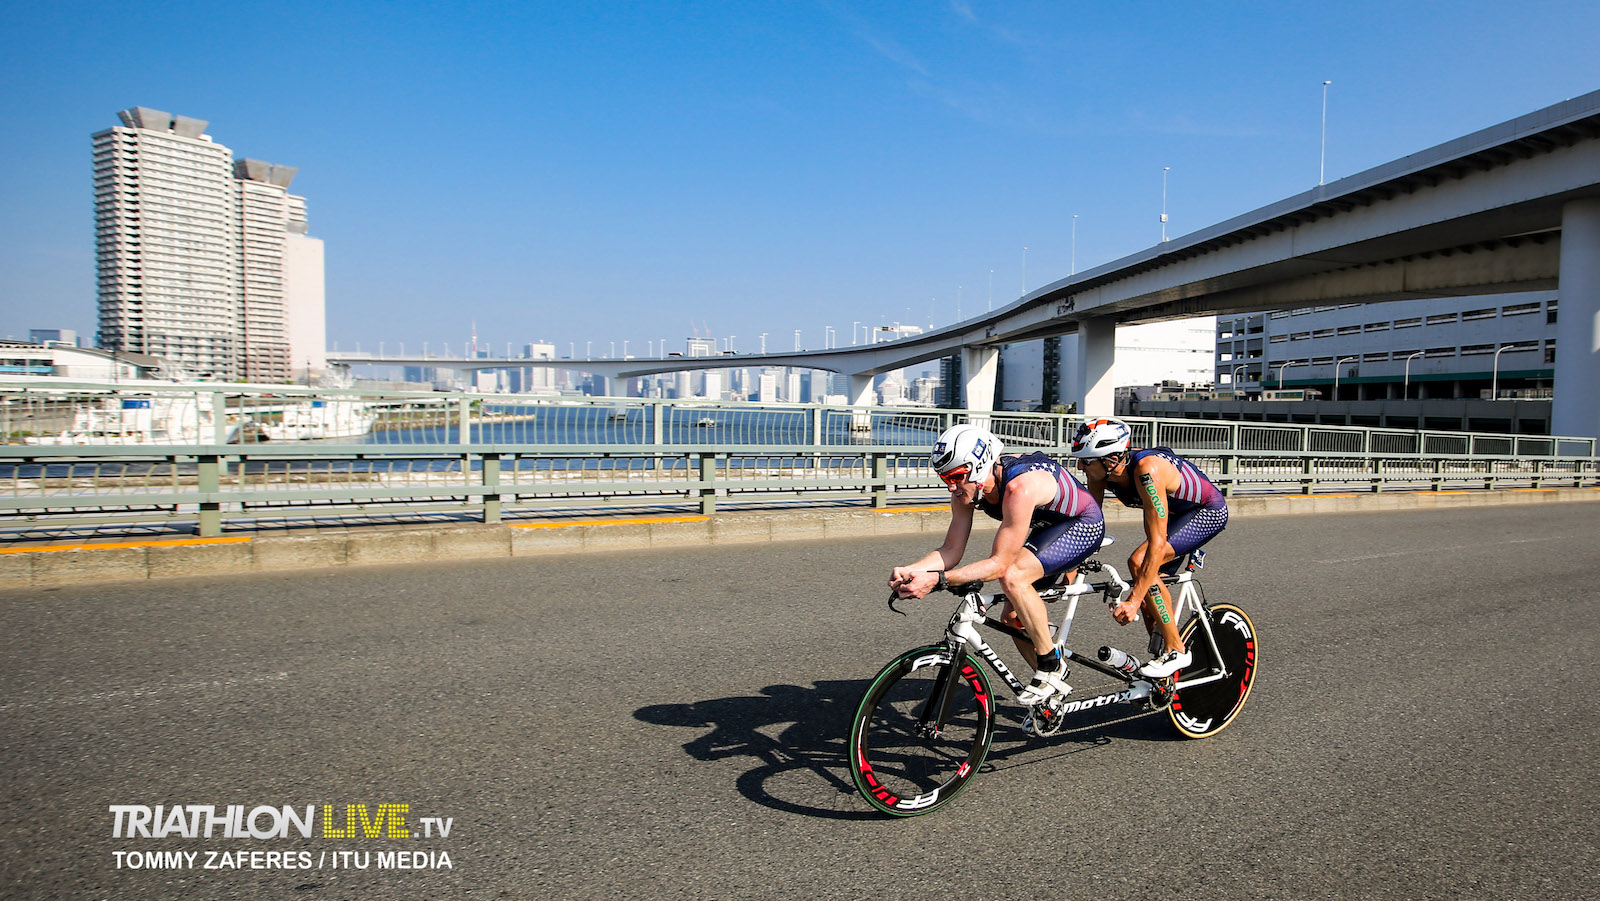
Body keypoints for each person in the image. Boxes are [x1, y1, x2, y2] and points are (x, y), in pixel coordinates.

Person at [889, 423, 1105, 707]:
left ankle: (1051, 666)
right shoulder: (967, 490)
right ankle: (1049, 691)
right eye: (945, 479)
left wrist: (939, 580)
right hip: (1046, 529)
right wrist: (916, 570)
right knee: (1013, 619)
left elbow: (999, 564)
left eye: (955, 477)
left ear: (979, 468)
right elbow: (951, 549)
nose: (951, 487)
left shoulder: (1019, 487)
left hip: (1083, 524)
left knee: (1013, 577)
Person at [1069, 417, 1229, 679]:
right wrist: (1068, 572)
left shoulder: (1147, 470)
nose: (1080, 466)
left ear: (1111, 460)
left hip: (1205, 512)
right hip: (1176, 518)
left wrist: (1132, 601)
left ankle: (1177, 649)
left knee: (1139, 563)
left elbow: (1157, 542)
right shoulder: (1099, 475)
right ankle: (1162, 668)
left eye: (1086, 461)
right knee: (1148, 595)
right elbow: (1089, 527)